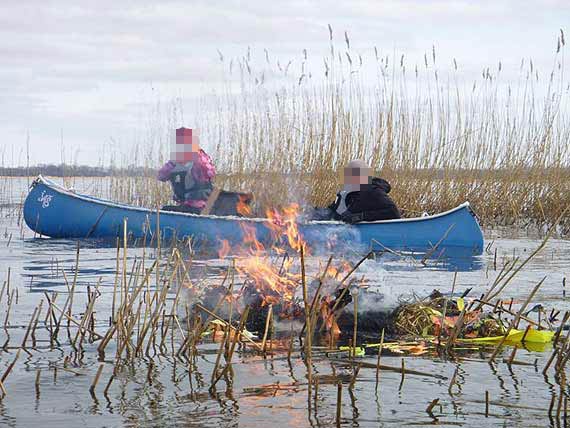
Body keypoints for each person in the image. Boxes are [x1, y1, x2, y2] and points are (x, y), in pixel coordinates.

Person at [158, 127, 216, 213]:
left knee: (166, 210)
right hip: (186, 205)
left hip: (202, 207)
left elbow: (210, 172)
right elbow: (161, 176)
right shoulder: (175, 161)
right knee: (165, 209)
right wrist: (175, 162)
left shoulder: (200, 158)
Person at [324, 159, 400, 223]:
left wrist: (360, 217)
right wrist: (313, 212)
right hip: (340, 230)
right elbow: (331, 211)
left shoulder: (373, 191)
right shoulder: (346, 193)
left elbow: (393, 212)